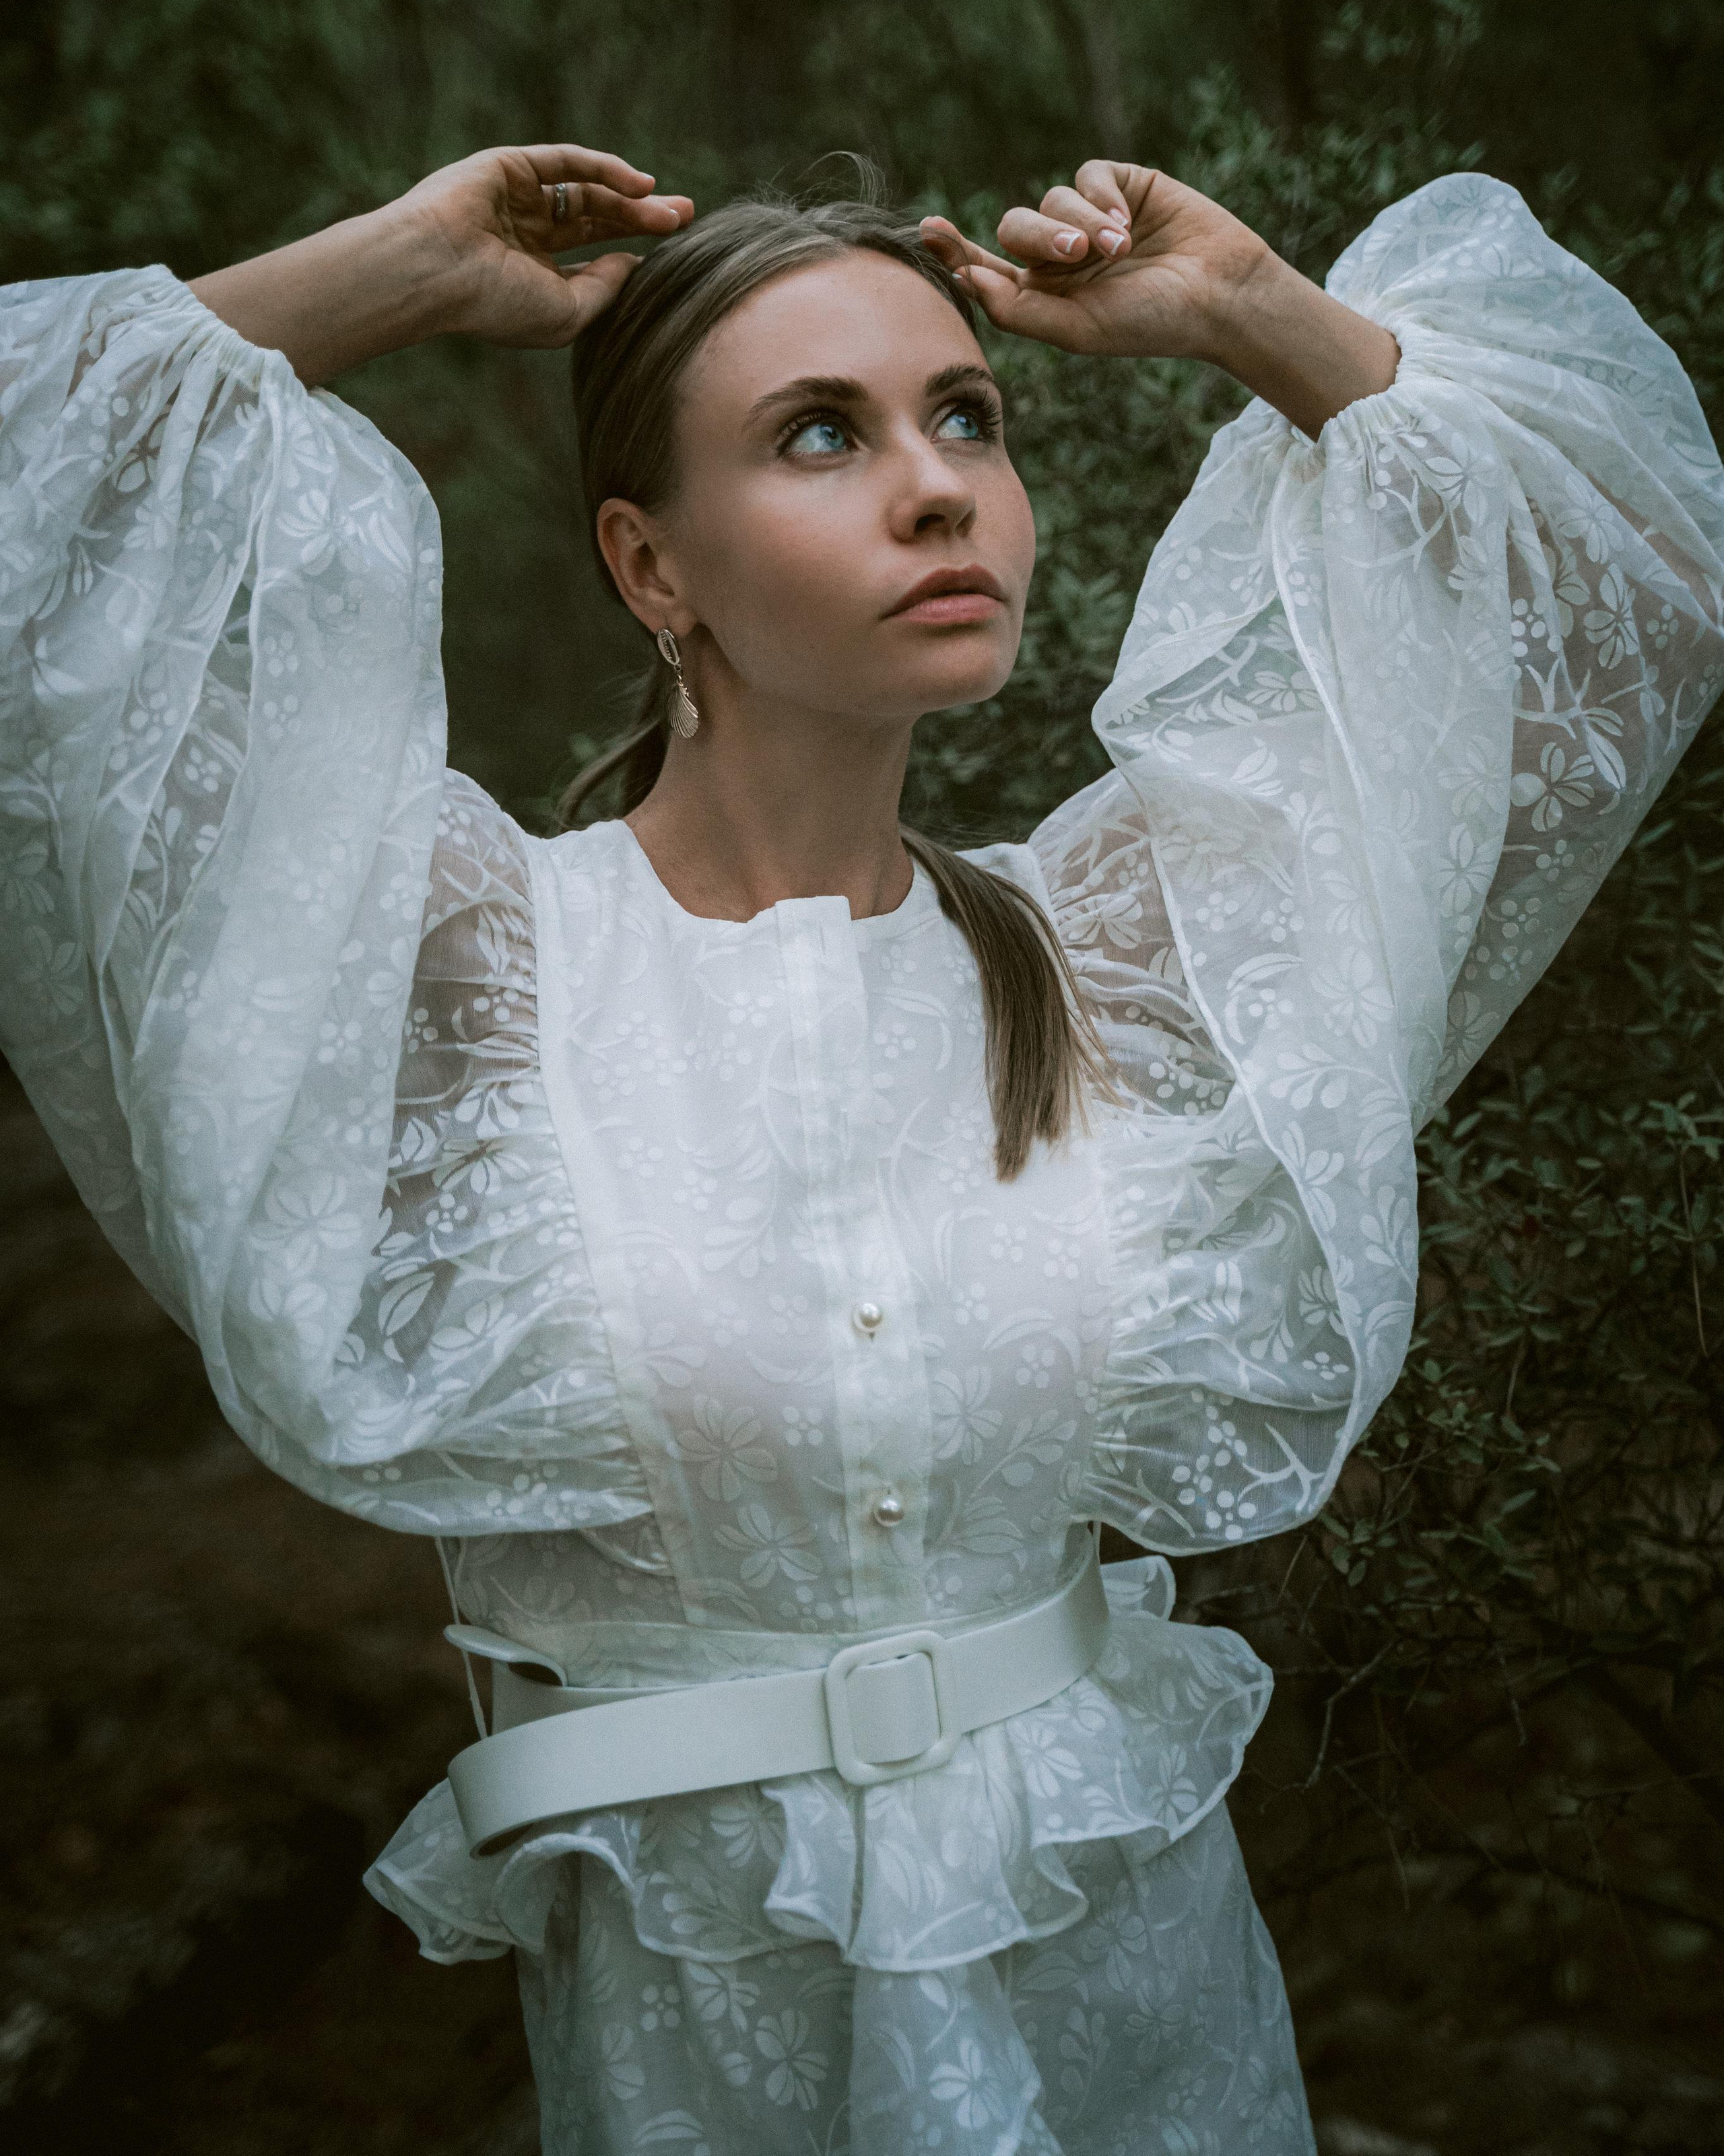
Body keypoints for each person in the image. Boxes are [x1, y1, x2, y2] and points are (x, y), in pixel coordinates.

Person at [2, 142, 1721, 2156]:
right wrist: (383, 271)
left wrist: (1247, 306)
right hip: (705, 2054)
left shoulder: (1126, 971)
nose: (936, 486)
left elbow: (1621, 580)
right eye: (821, 432)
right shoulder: (478, 980)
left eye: (965, 418)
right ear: (651, 568)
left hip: (1138, 2019)